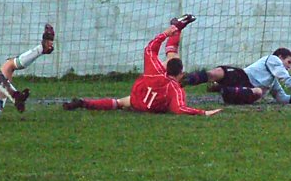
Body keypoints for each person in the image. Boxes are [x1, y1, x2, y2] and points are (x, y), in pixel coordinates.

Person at [63, 15, 222, 116]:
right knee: (173, 55)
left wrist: (166, 33)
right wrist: (204, 112)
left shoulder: (155, 71)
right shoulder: (175, 89)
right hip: (146, 105)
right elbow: (179, 109)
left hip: (138, 98)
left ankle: (84, 103)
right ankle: (178, 28)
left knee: (118, 102)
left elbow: (150, 49)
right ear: (180, 74)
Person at [180, 48, 291, 105]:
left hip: (245, 91)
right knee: (217, 72)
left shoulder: (273, 82)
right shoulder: (272, 59)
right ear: (280, 57)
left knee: (259, 92)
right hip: (242, 76)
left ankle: (223, 89)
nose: (289, 66)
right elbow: (288, 81)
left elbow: (283, 98)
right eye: (288, 61)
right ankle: (186, 80)